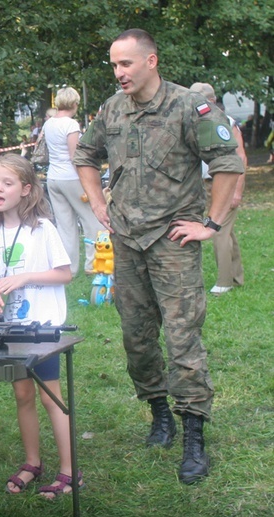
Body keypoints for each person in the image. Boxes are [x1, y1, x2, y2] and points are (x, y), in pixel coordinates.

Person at [73, 29, 244, 485]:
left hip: (174, 243)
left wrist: (209, 224)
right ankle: (159, 414)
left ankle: (193, 433)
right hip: (127, 241)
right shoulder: (112, 108)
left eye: (126, 64)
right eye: (113, 65)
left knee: (183, 339)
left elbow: (228, 161)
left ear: (151, 61)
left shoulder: (190, 105)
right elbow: (85, 154)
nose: (118, 73)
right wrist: (97, 201)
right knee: (137, 338)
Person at [0, 154, 80, 499]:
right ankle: (33, 461)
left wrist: (25, 276)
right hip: (11, 331)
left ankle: (68, 470)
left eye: (8, 183)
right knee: (22, 394)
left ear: (26, 190)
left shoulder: (42, 229)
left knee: (52, 398)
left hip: (42, 330)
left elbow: (65, 273)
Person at [189, 83, 247, 295]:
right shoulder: (196, 121)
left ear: (212, 101)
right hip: (205, 183)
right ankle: (236, 276)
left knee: (218, 229)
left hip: (223, 183)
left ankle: (224, 282)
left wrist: (237, 191)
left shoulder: (226, 122)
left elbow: (240, 158)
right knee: (227, 232)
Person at [43, 87, 104, 276]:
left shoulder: (49, 123)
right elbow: (75, 156)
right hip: (71, 177)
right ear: (75, 103)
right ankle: (92, 264)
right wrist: (88, 181)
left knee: (65, 225)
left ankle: (68, 268)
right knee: (92, 220)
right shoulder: (71, 125)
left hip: (53, 177)